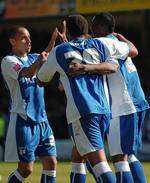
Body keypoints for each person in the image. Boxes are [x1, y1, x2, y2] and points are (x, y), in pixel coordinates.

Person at [37, 14, 138, 183]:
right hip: (103, 110)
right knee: (78, 157)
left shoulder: (59, 51)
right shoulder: (100, 43)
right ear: (87, 30)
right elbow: (125, 55)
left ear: (67, 31)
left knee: (100, 165)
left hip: (82, 112)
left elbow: (41, 80)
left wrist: (47, 58)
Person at [69, 13, 149, 183]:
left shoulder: (103, 43)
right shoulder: (117, 42)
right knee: (128, 155)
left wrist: (71, 48)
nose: (91, 30)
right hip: (136, 102)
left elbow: (82, 50)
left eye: (94, 26)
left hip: (123, 105)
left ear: (101, 28)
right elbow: (134, 50)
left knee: (119, 159)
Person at [1, 26, 58, 183]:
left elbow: (46, 55)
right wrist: (40, 61)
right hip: (24, 120)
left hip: (43, 120)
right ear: (12, 41)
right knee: (26, 169)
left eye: (29, 37)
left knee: (51, 163)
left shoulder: (34, 57)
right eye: (23, 38)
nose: (28, 40)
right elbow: (27, 73)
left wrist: (53, 41)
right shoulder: (8, 61)